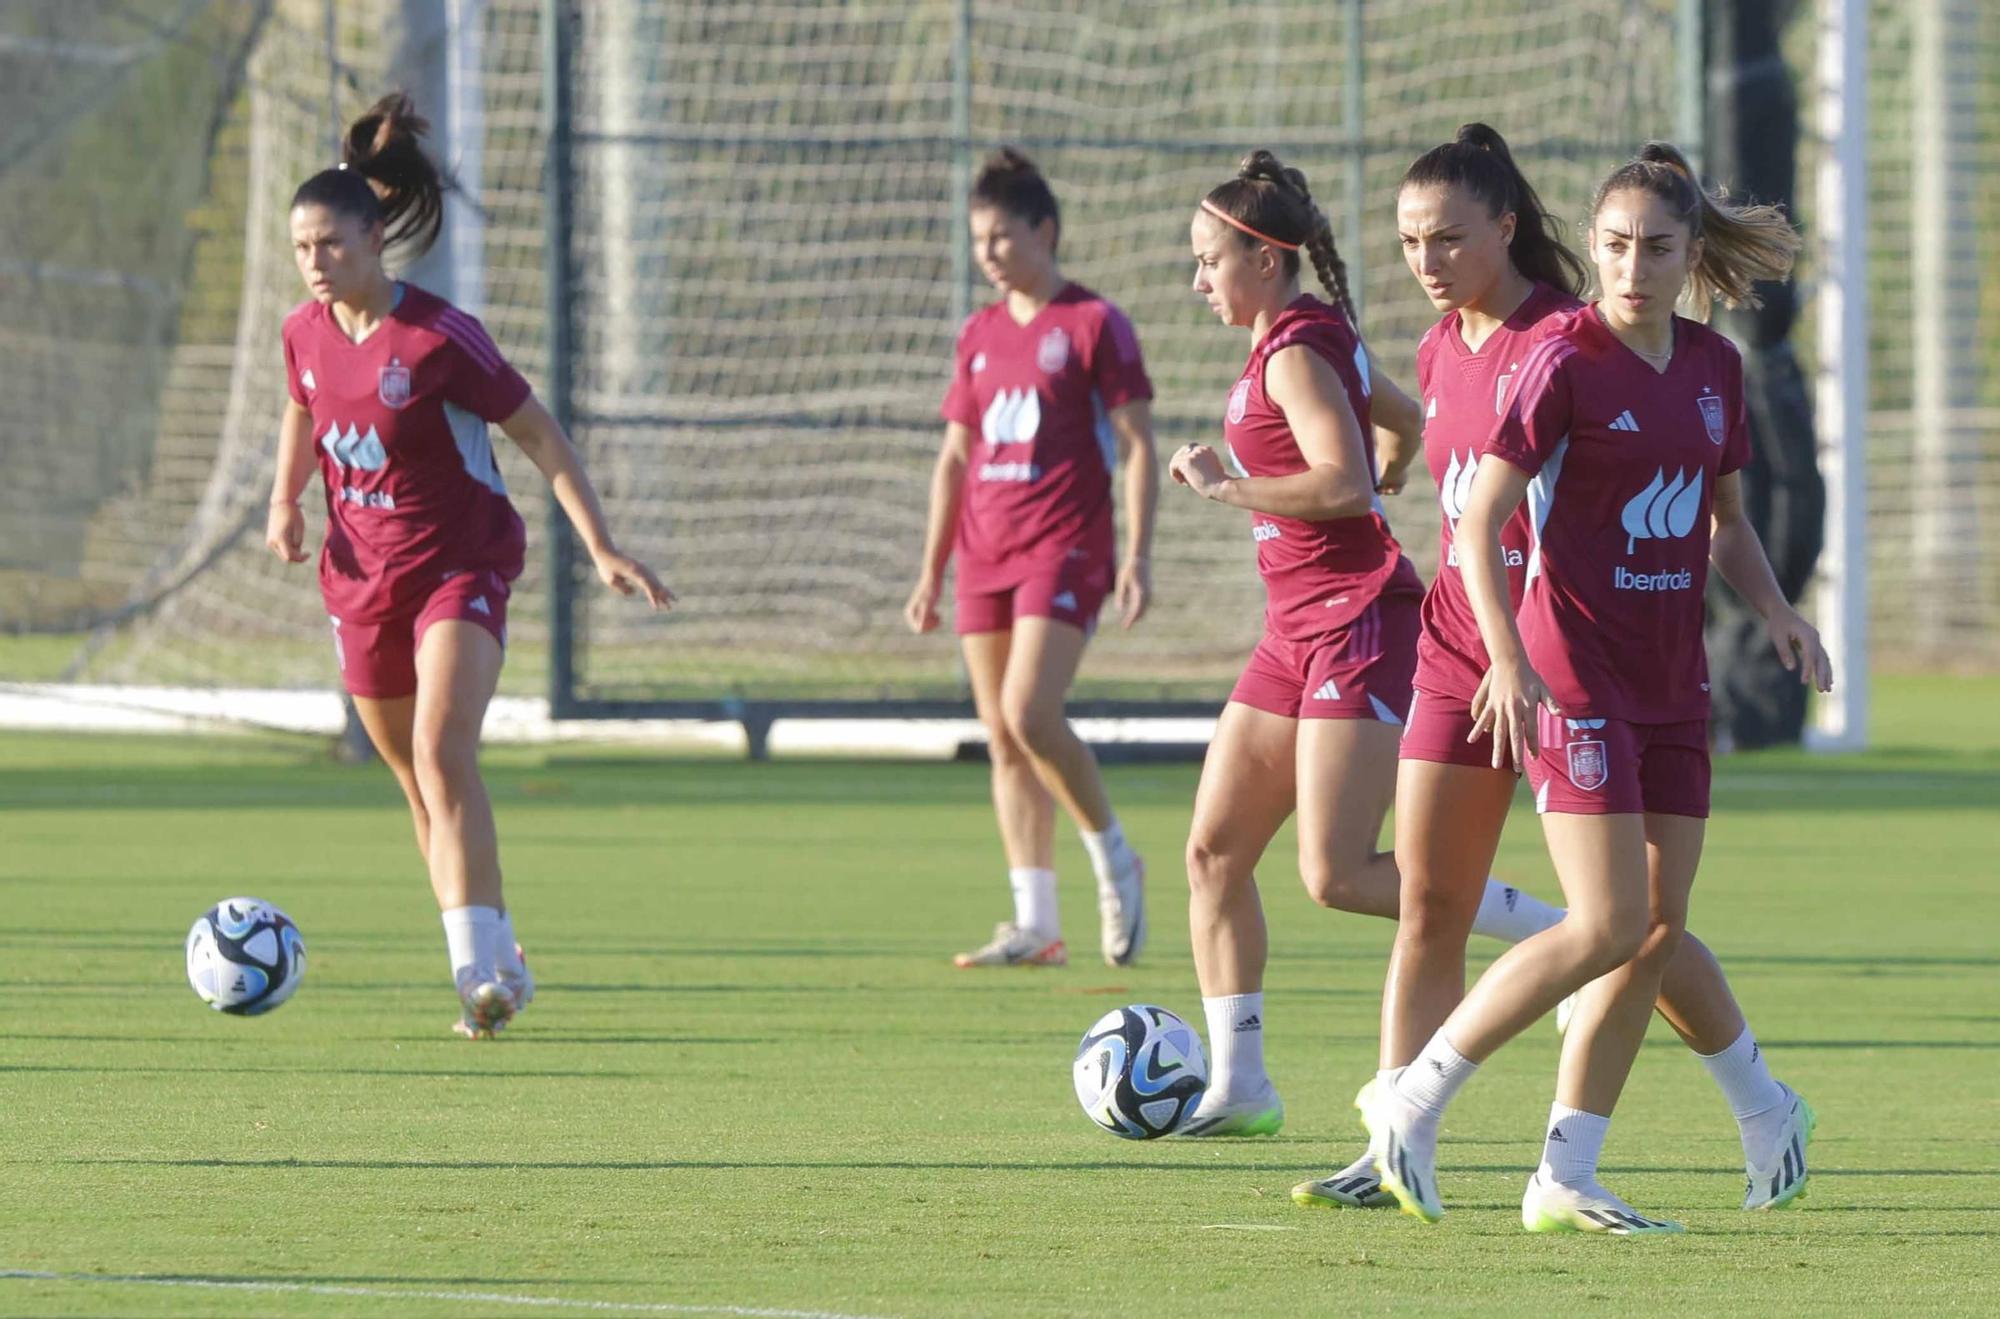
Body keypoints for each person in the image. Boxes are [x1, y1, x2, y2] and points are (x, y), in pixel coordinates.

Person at [1296, 125, 1815, 1219]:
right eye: (1616, 246)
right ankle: (1406, 1106)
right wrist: (1505, 653)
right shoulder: (1542, 355)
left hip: (1658, 679)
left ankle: (1579, 1165)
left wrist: (1774, 611)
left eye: (1656, 247)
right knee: (1538, 913)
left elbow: (1721, 519)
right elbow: (1473, 518)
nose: (1632, 266)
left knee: (1643, 926)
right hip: (1541, 666)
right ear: (1591, 240)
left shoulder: (1704, 369)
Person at [264, 94, 671, 1038]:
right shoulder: (303, 334)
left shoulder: (442, 337)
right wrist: (287, 501)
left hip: (457, 567)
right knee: (416, 782)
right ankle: (499, 945)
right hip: (358, 581)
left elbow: (539, 434)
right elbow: (300, 403)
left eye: (329, 244)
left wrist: (601, 543)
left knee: (446, 756)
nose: (315, 264)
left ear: (374, 238)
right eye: (301, 249)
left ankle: (476, 980)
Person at [1166, 149, 1434, 1136]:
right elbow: (1402, 423)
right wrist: (1392, 463)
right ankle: (1240, 1085)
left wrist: (1223, 485)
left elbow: (1341, 481)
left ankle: (1564, 939)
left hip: (1359, 622)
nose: (1198, 280)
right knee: (1212, 852)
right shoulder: (1310, 336)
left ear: (1264, 261)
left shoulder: (1290, 350)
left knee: (1337, 873)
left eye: (1208, 261)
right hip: (1294, 631)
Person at [905, 148, 1156, 970]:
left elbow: (1137, 444)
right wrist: (930, 570)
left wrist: (1138, 554)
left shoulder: (1092, 324)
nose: (988, 252)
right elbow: (953, 458)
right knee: (1004, 738)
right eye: (978, 237)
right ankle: (1035, 922)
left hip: (1065, 545)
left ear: (1045, 230)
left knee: (1030, 713)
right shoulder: (977, 335)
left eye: (1002, 235)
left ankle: (1115, 858)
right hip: (984, 553)